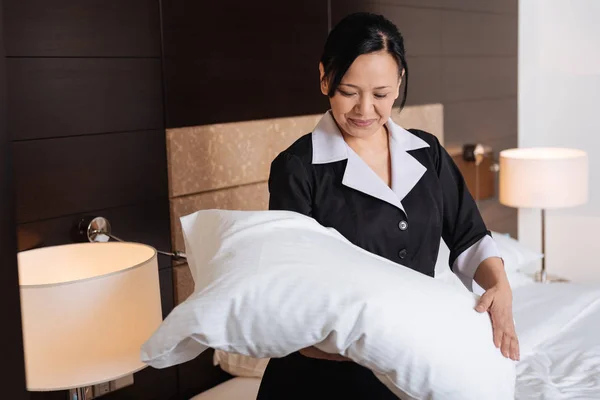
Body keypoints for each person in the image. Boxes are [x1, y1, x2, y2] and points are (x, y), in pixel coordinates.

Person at [256, 12, 519, 399]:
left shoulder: (427, 153)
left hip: (412, 365)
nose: (365, 110)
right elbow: (294, 295)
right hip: (325, 376)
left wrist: (500, 285)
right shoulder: (298, 170)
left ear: (399, 83)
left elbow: (470, 237)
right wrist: (386, 344)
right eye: (349, 91)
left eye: (380, 94)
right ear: (325, 78)